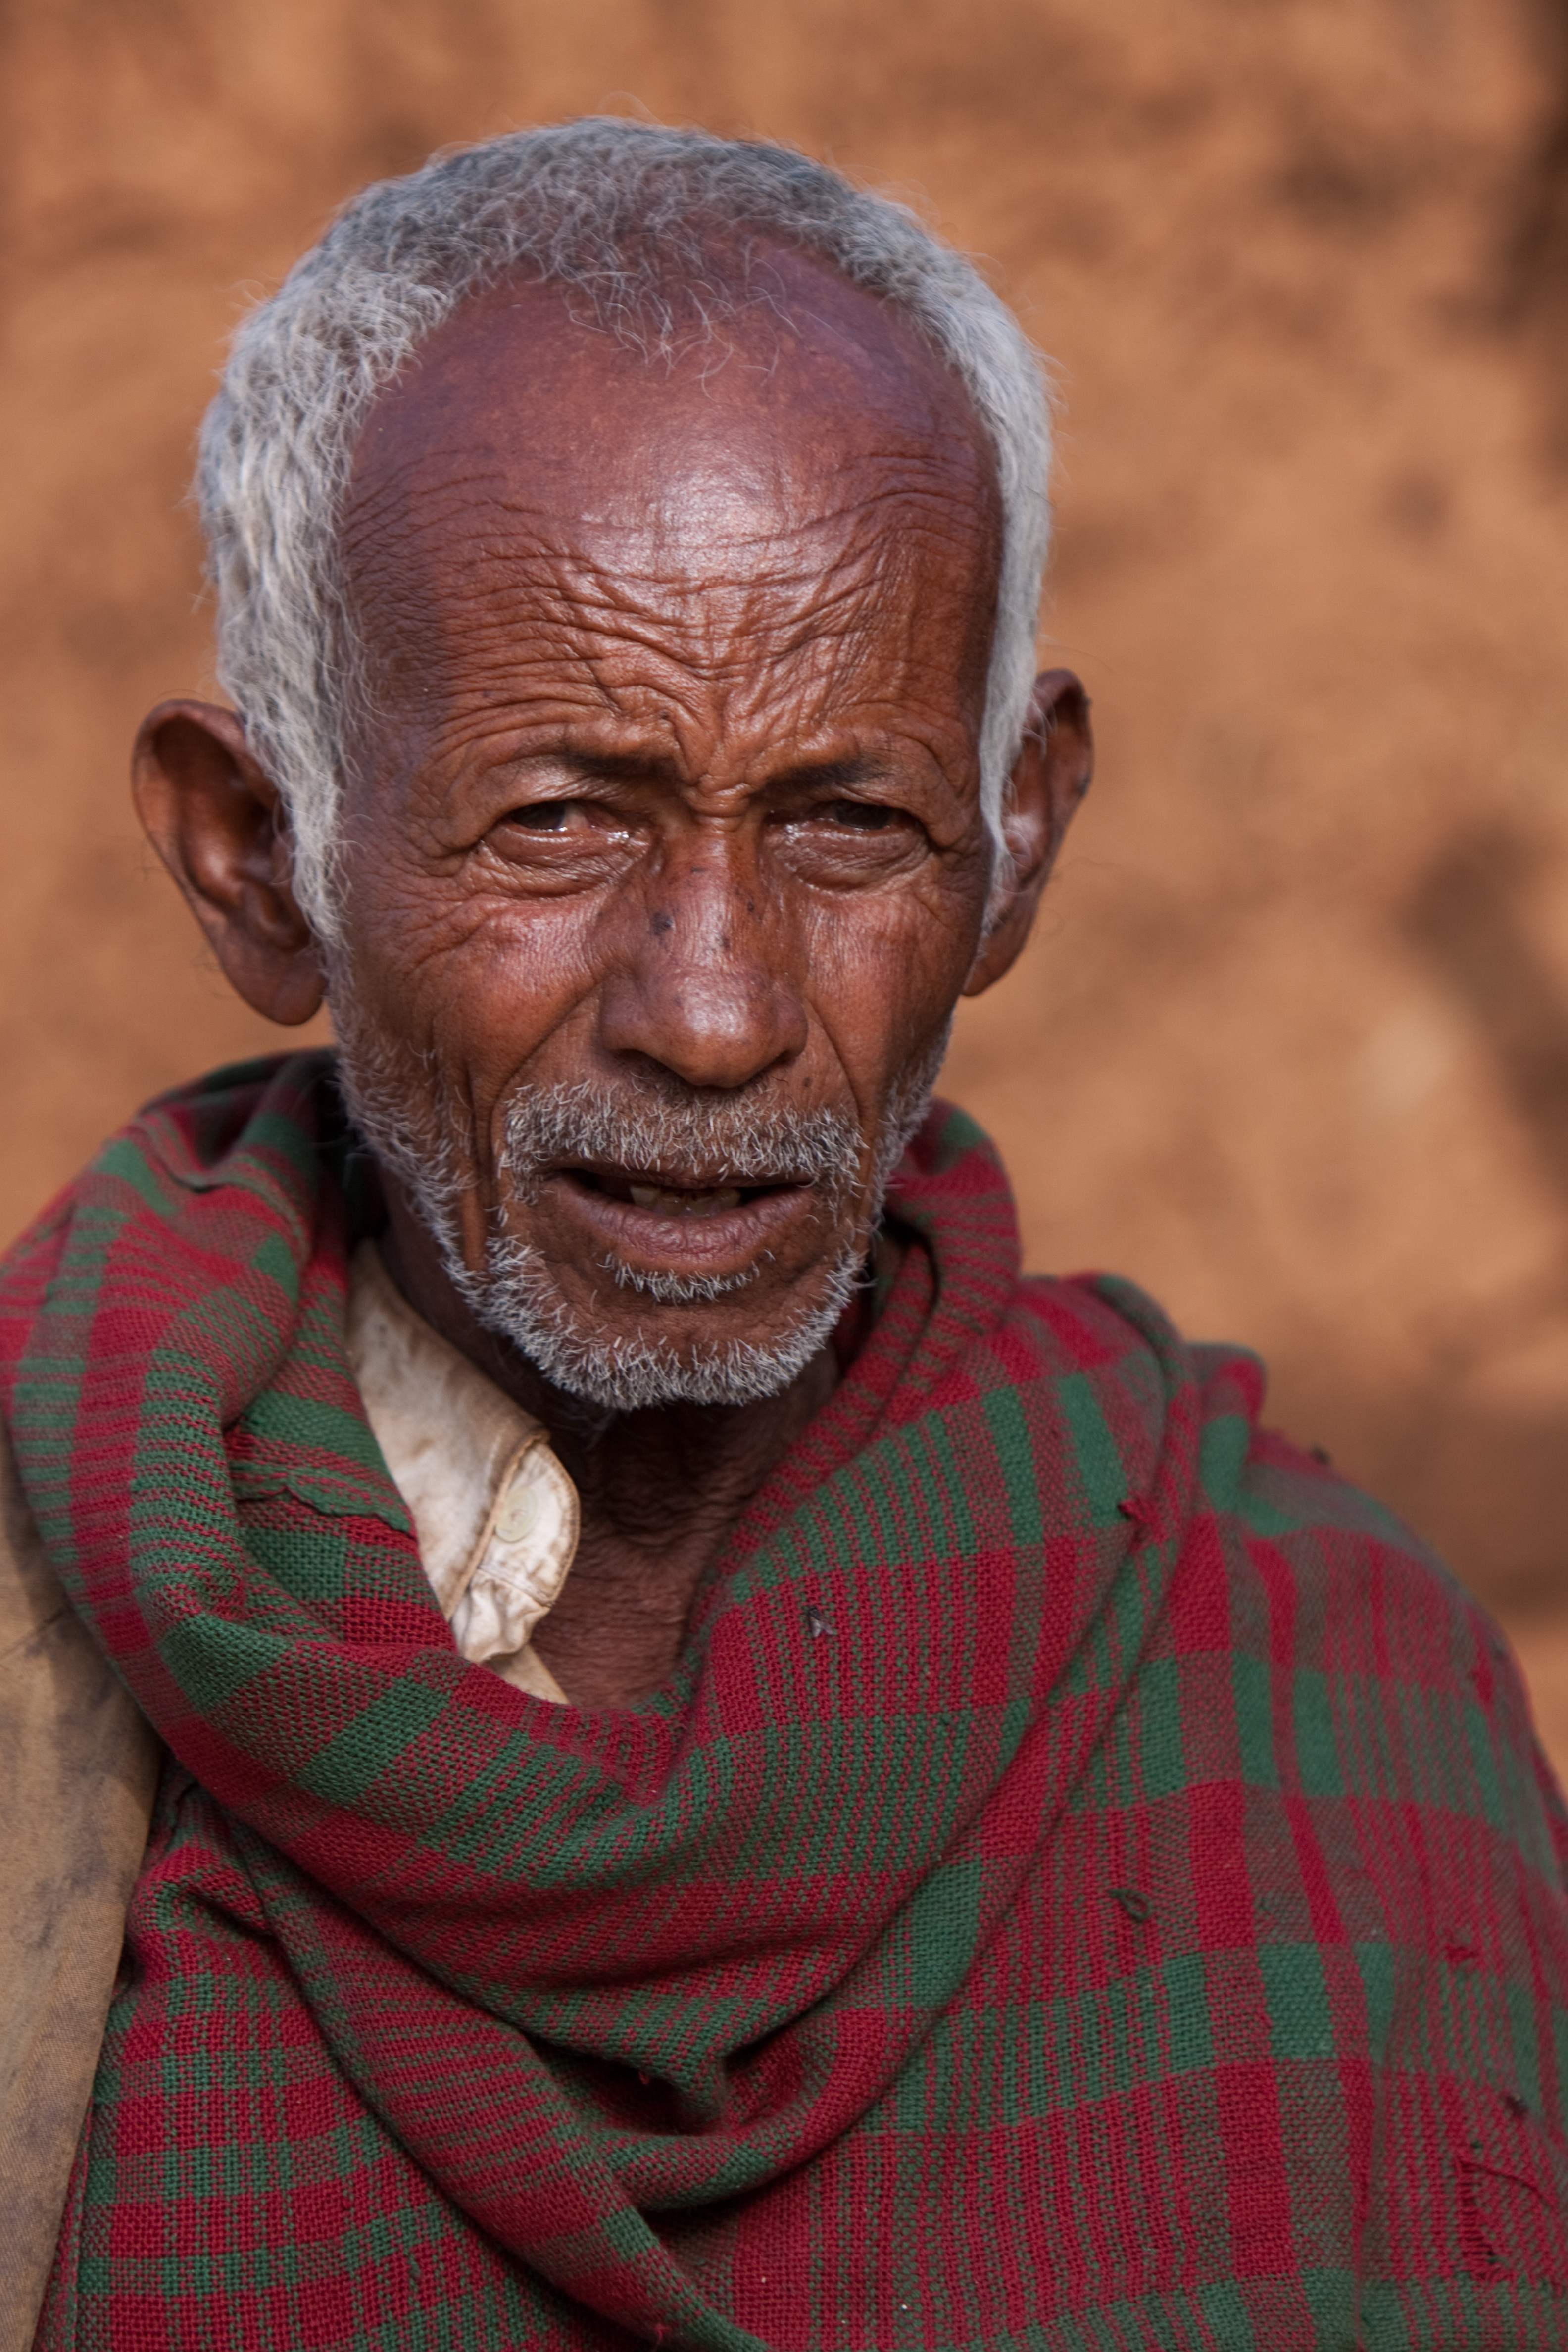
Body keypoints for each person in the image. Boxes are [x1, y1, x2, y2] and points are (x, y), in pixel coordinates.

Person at [2, 118, 1566, 2352]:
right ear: (262, 855)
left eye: (852, 823)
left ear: (1016, 845)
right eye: (559, 822)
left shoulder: (1340, 1695)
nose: (719, 1012)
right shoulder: (47, 1683)